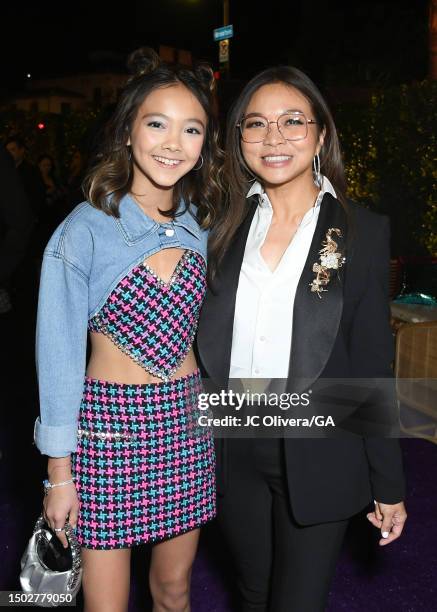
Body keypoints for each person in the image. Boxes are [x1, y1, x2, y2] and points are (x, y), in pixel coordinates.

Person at [197, 66, 407, 612]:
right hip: (232, 437)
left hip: (322, 442)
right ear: (238, 139)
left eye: (293, 121)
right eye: (256, 124)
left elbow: (372, 362)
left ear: (320, 135)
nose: (274, 137)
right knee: (252, 592)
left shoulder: (359, 231)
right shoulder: (218, 225)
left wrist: (388, 481)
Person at [34, 47, 221, 612]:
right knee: (105, 604)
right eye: (157, 123)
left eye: (191, 129)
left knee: (173, 592)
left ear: (204, 144)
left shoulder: (205, 225)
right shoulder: (82, 232)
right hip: (107, 431)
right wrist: (57, 475)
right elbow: (58, 356)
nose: (172, 143)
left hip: (187, 425)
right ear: (127, 132)